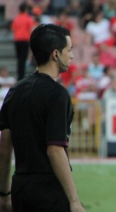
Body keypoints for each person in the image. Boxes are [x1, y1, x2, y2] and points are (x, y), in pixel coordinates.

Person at [0, 24, 85, 212]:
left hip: (20, 186)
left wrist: (4, 194)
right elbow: (55, 150)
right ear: (56, 54)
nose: (71, 55)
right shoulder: (58, 94)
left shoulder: (14, 91)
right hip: (48, 189)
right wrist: (74, 200)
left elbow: (5, 150)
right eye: (69, 50)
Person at [10, 3, 35, 81]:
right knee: (23, 59)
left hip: (17, 39)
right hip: (25, 39)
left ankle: (19, 75)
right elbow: (31, 29)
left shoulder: (16, 18)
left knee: (19, 58)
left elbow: (13, 29)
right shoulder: (28, 18)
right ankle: (21, 76)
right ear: (26, 9)